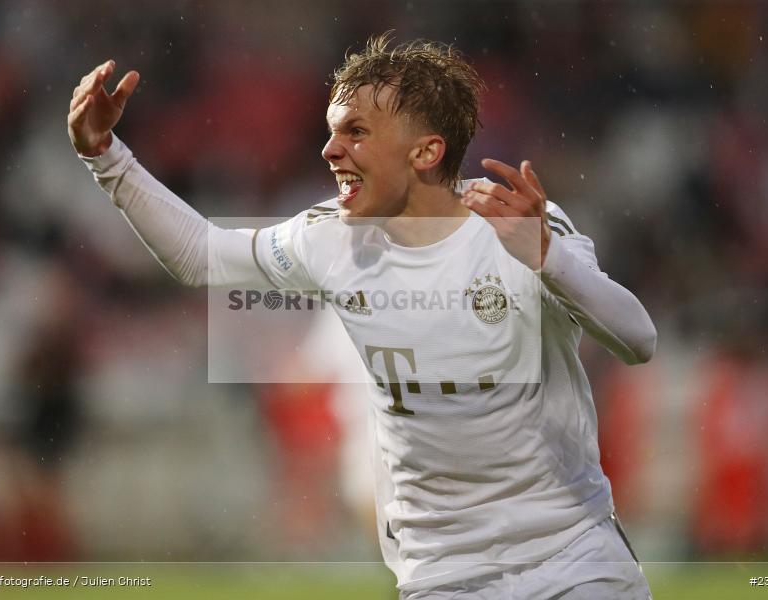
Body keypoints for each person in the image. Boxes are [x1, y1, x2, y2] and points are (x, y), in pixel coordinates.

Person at [68, 34, 656, 599]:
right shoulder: (328, 240)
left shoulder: (517, 226)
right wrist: (106, 157)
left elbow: (638, 340)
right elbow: (202, 255)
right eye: (331, 132)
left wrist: (549, 259)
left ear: (426, 151)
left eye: (356, 132)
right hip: (441, 574)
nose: (329, 151)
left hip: (572, 555)